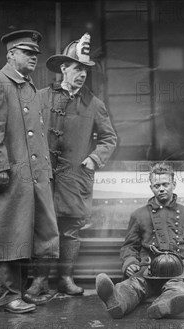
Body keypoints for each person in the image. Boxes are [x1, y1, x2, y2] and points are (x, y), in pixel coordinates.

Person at [28, 33, 117, 300]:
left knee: (69, 229)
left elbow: (109, 138)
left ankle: (66, 279)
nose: (81, 75)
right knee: (43, 226)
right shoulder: (40, 98)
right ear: (64, 68)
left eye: (85, 71)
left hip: (75, 177)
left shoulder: (94, 104)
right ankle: (39, 280)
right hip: (44, 175)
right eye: (77, 69)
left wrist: (93, 159)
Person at [0, 30, 59, 313]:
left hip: (34, 175)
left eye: (36, 53)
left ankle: (29, 289)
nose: (34, 57)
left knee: (36, 234)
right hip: (11, 174)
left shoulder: (27, 86)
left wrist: (44, 171)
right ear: (11, 54)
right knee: (9, 234)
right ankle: (8, 296)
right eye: (27, 52)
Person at [95, 162, 184, 319]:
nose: (161, 189)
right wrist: (130, 263)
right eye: (156, 185)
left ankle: (165, 304)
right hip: (147, 269)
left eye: (165, 184)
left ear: (174, 184)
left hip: (178, 270)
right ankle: (116, 301)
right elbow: (129, 247)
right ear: (151, 188)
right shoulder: (138, 215)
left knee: (177, 287)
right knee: (133, 286)